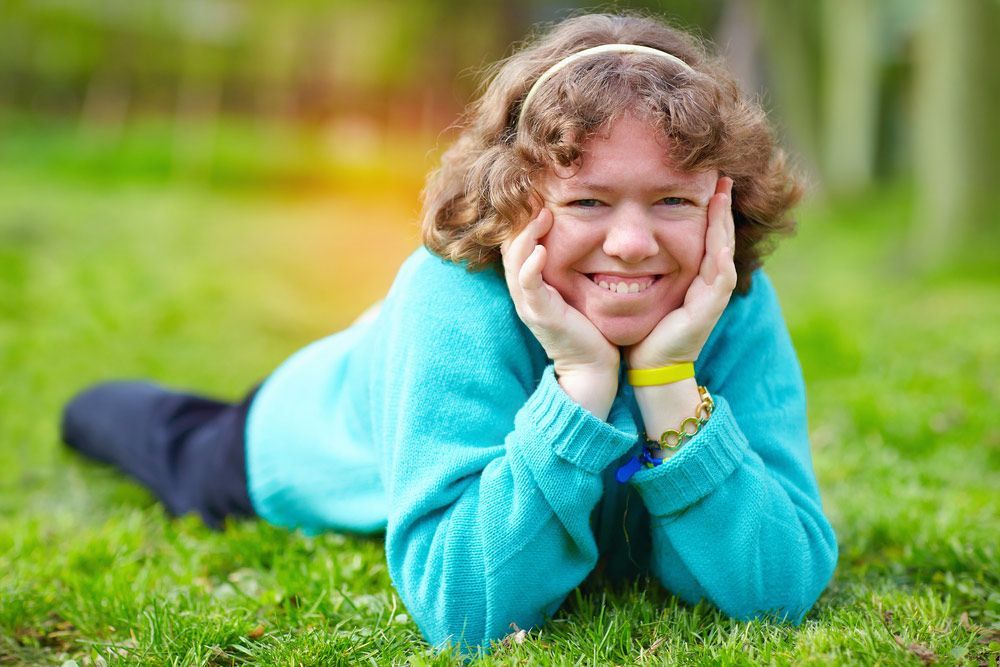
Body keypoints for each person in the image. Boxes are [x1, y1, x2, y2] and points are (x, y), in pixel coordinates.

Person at [62, 12, 838, 654]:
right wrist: (581, 384)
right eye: (588, 203)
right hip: (310, 427)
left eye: (672, 200)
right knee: (166, 440)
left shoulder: (729, 295)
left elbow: (779, 585)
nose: (632, 243)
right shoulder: (453, 297)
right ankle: (94, 404)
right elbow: (465, 611)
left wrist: (667, 382)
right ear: (514, 196)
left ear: (720, 202)